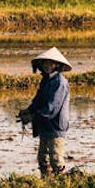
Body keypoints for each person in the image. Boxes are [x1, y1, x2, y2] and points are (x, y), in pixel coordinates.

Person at [17, 47, 71, 177]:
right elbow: (38, 101)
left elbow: (51, 109)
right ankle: (46, 182)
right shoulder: (46, 81)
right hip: (44, 125)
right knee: (42, 158)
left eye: (50, 63)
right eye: (45, 63)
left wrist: (32, 117)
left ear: (57, 65)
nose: (47, 66)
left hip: (55, 126)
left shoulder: (60, 83)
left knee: (55, 158)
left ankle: (62, 185)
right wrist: (28, 111)